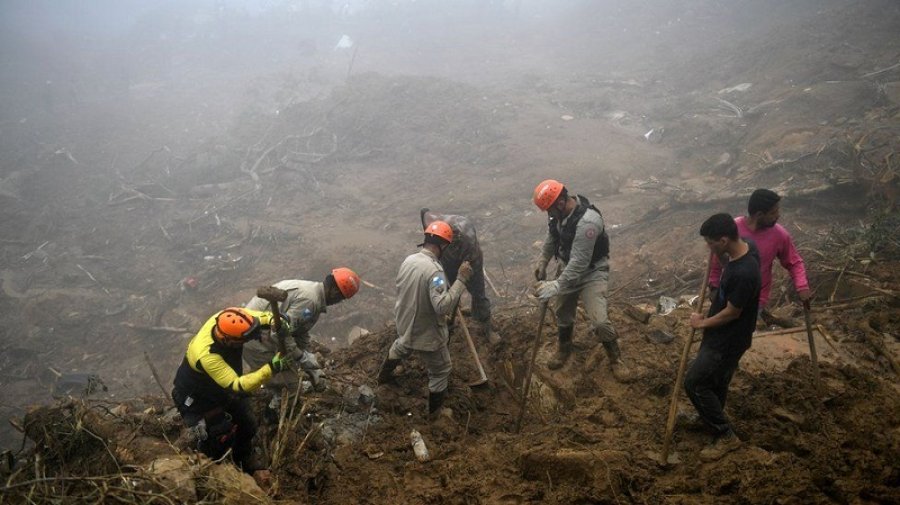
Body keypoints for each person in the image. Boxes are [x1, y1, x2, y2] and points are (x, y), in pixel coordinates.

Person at [172, 307, 293, 484]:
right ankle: (213, 473)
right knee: (219, 437)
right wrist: (271, 368)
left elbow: (253, 318)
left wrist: (274, 320)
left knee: (248, 425)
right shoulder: (208, 355)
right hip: (198, 398)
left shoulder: (224, 319)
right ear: (229, 340)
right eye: (244, 339)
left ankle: (242, 459)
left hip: (221, 390)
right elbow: (238, 385)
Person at [531, 179, 631, 381]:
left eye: (550, 210)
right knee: (562, 311)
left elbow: (580, 262)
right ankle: (564, 348)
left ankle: (615, 359)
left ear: (560, 203)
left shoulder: (588, 222)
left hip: (591, 272)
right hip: (567, 267)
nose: (549, 215)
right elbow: (553, 237)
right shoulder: (558, 216)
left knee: (600, 321)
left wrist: (556, 285)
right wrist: (543, 261)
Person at [377, 220, 473, 418]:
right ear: (443, 245)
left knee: (402, 345)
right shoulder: (435, 271)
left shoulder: (409, 260)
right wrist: (461, 280)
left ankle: (383, 378)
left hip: (405, 321)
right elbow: (442, 306)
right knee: (441, 370)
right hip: (425, 332)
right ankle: (435, 414)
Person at [686, 213, 761, 462]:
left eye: (711, 242)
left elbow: (732, 312)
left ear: (724, 239)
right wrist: (719, 255)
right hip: (721, 334)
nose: (708, 247)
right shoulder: (747, 248)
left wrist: (702, 323)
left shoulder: (745, 272)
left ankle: (725, 435)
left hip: (728, 339)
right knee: (716, 382)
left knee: (695, 383)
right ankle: (709, 416)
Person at [243, 268, 361, 392]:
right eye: (340, 298)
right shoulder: (310, 301)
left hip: (262, 333)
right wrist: (301, 358)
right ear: (335, 292)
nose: (338, 302)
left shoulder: (313, 293)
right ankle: (272, 405)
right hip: (254, 338)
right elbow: (279, 333)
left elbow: (299, 330)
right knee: (289, 387)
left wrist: (309, 363)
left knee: (289, 369)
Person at [708, 189, 810, 326]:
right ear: (760, 215)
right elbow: (717, 257)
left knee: (739, 332)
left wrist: (802, 286)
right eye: (773, 212)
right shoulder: (733, 228)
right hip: (727, 293)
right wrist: (714, 286)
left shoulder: (780, 235)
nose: (778, 215)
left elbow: (794, 262)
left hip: (755, 298)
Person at [420, 208, 499, 344]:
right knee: (447, 293)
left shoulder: (466, 238)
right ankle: (449, 322)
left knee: (478, 293)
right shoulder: (436, 228)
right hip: (446, 261)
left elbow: (470, 262)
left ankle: (486, 326)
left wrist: (463, 274)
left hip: (469, 261)